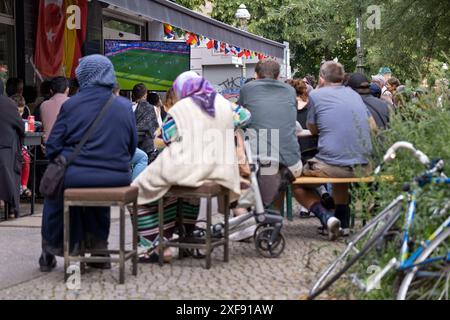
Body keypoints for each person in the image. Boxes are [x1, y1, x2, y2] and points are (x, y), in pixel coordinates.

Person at [132, 71, 244, 262]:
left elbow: (164, 138)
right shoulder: (223, 103)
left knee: (138, 192)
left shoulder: (182, 107)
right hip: (220, 171)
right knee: (185, 195)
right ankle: (187, 238)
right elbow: (244, 115)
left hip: (186, 169)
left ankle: (158, 246)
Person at [39, 54, 137, 272]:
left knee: (56, 193)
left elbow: (53, 146)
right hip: (118, 177)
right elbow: (132, 148)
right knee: (96, 190)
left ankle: (57, 247)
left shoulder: (71, 105)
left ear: (83, 76)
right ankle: (99, 247)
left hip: (78, 175)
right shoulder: (123, 106)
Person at [292, 61, 376, 240]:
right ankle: (343, 224)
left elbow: (313, 128)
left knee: (295, 183)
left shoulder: (316, 95)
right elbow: (373, 126)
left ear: (322, 78)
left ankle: (326, 217)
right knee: (341, 178)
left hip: (332, 163)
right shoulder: (354, 95)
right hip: (364, 164)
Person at [238, 59, 303, 179]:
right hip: (291, 165)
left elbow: (239, 120)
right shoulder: (290, 91)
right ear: (278, 76)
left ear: (256, 75)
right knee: (280, 180)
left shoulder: (246, 89)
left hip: (259, 164)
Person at [0, 79, 25, 218]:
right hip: (5, 148)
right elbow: (20, 126)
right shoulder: (8, 103)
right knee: (11, 173)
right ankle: (12, 209)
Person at [10, 94, 32, 198]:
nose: (20, 114)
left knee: (27, 159)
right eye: (17, 112)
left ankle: (24, 185)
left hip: (22, 149)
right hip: (11, 149)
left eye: (21, 111)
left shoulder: (25, 122)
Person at [132, 83, 159, 162]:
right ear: (145, 94)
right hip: (148, 148)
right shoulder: (151, 108)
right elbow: (155, 128)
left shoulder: (129, 107)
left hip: (133, 145)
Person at [40, 77, 70, 143]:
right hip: (67, 147)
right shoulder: (73, 102)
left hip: (48, 146)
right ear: (67, 90)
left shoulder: (43, 105)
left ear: (51, 91)